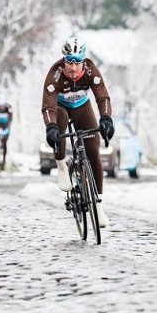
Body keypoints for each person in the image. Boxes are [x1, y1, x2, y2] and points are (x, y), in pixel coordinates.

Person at [41, 35, 115, 226]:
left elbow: (102, 97)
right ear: (64, 61)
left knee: (93, 150)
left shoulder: (91, 70)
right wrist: (51, 127)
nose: (73, 68)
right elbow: (48, 106)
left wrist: (106, 119)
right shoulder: (55, 74)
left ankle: (98, 207)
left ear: (83, 61)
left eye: (77, 63)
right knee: (61, 122)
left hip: (82, 106)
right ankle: (62, 166)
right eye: (69, 62)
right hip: (61, 107)